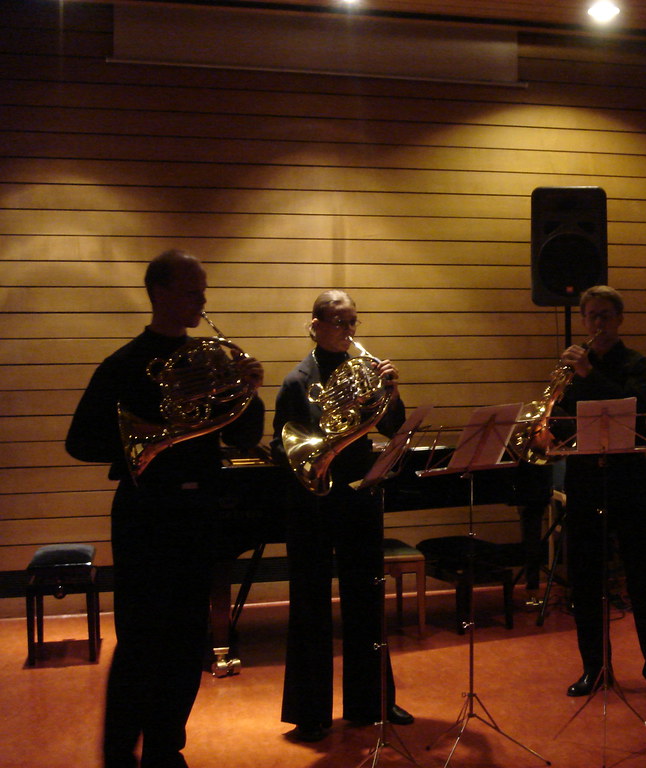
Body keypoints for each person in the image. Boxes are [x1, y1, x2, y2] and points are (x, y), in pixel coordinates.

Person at [65, 249, 266, 768]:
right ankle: (118, 756)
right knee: (140, 642)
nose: (202, 299)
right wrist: (150, 436)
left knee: (185, 642)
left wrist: (251, 391)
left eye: (203, 290)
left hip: (201, 512)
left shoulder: (211, 358)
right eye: (192, 290)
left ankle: (164, 749)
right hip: (147, 514)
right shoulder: (125, 364)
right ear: (159, 293)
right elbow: (80, 441)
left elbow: (243, 434)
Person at [271, 290, 413, 742]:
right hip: (311, 502)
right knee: (310, 603)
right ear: (315, 325)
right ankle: (310, 712)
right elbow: (283, 447)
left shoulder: (368, 375)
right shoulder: (297, 382)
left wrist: (391, 391)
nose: (349, 331)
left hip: (357, 495)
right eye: (339, 322)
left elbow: (393, 428)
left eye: (353, 322)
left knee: (367, 596)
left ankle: (372, 700)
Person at [555, 285, 646, 703]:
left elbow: (634, 407)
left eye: (606, 315)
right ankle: (594, 667)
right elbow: (558, 421)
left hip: (629, 480)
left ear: (619, 319)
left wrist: (590, 373)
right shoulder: (571, 371)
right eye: (591, 316)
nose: (598, 323)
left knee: (643, 579)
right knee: (586, 581)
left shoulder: (637, 365)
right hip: (585, 478)